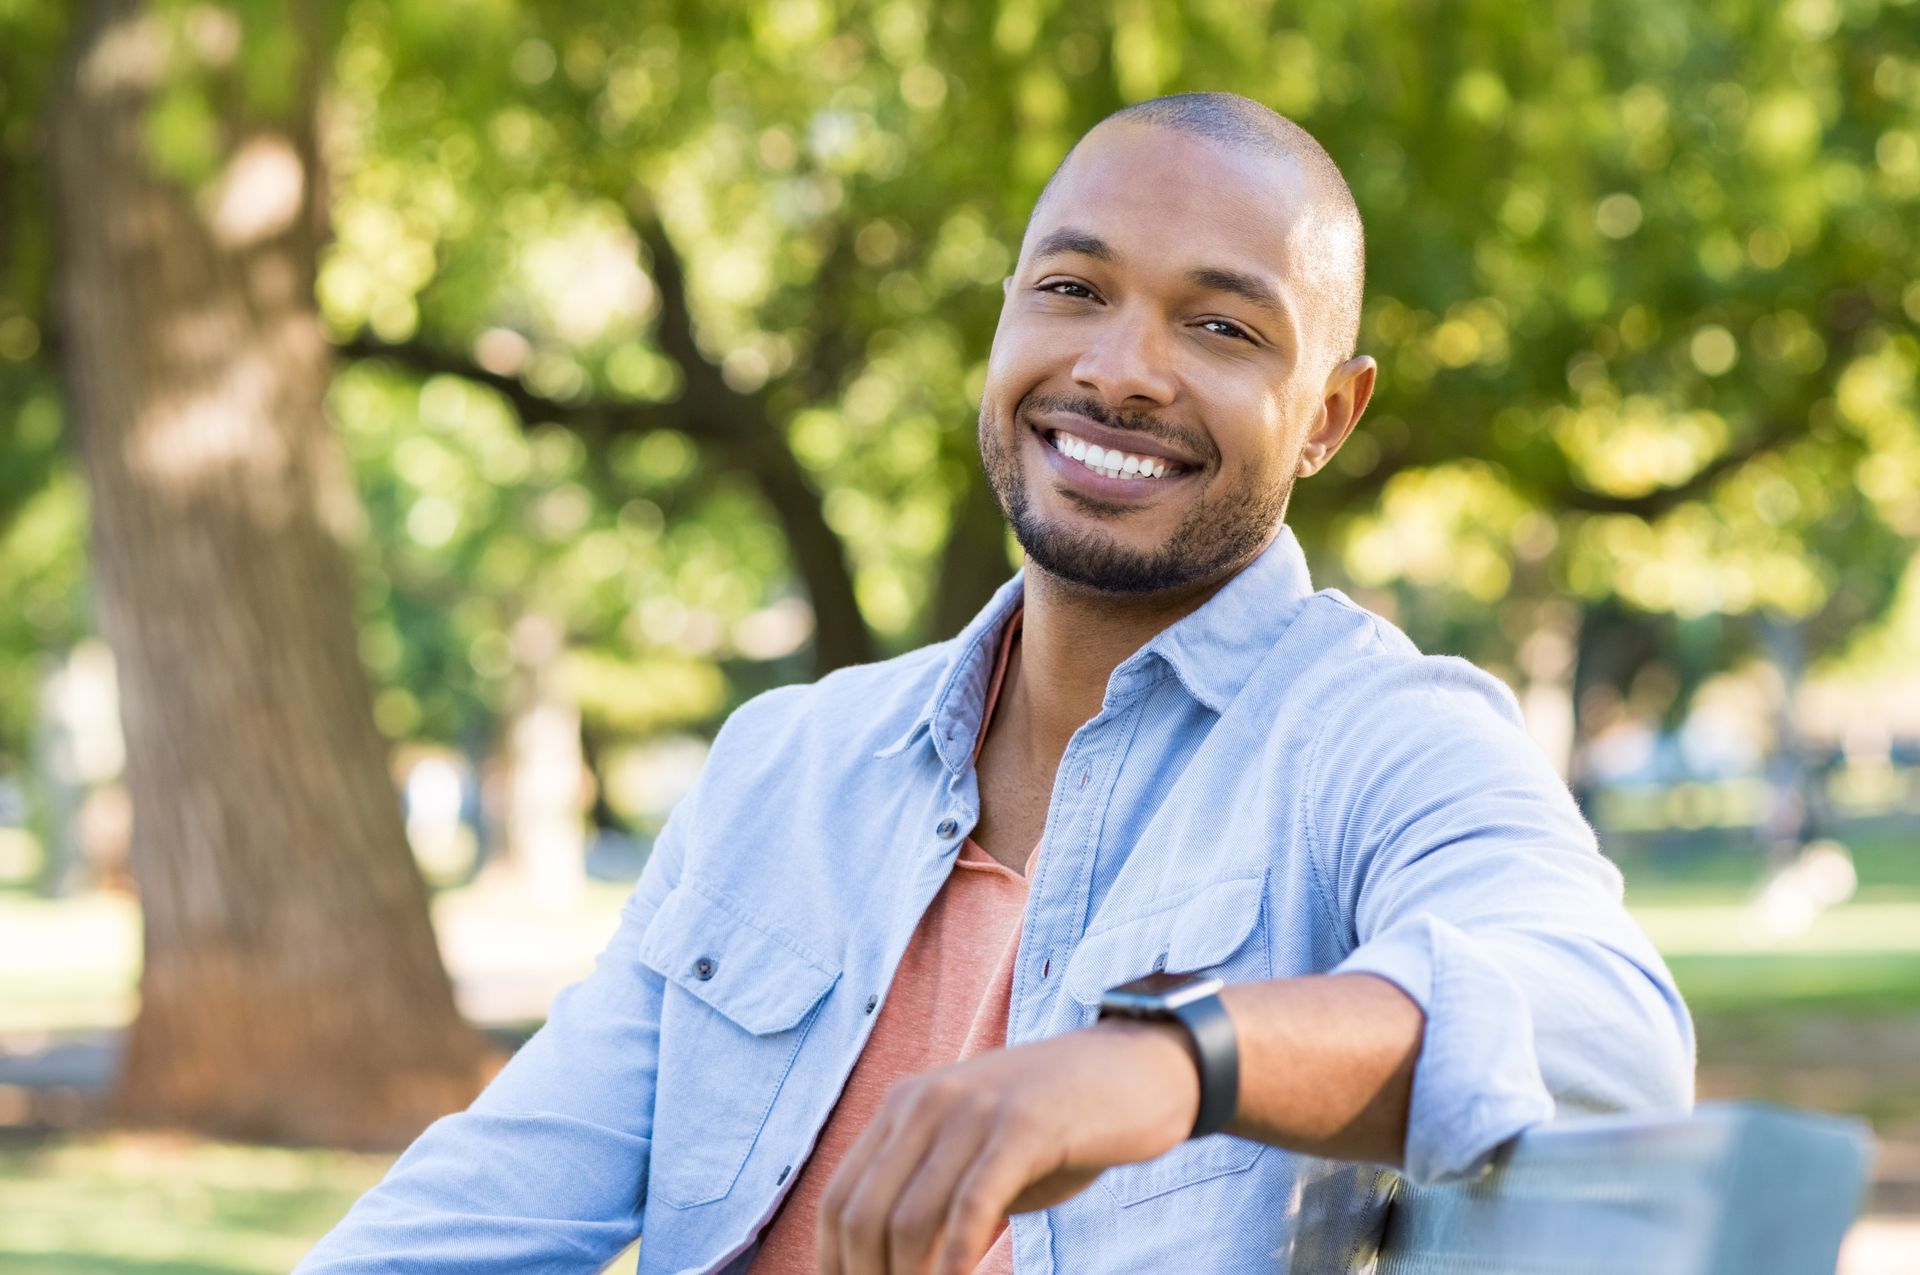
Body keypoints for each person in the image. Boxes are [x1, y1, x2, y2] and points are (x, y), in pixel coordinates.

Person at [299, 92, 1694, 1275]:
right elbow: (480, 1211)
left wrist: (1167, 1064)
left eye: (1221, 327)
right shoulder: (787, 762)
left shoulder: (1376, 740)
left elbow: (1607, 1038)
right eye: (1073, 291)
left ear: (1327, 415)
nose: (1119, 371)